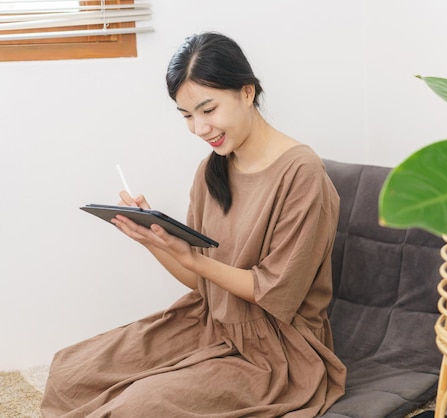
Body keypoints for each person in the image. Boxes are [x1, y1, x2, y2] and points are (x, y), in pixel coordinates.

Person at [41, 32, 346, 417]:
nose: (200, 129)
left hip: (274, 351)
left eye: (208, 109)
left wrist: (194, 259)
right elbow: (201, 281)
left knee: (136, 408)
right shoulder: (212, 169)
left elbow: (273, 292)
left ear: (247, 93)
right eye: (187, 116)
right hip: (207, 321)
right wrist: (152, 239)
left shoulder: (302, 173)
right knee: (72, 371)